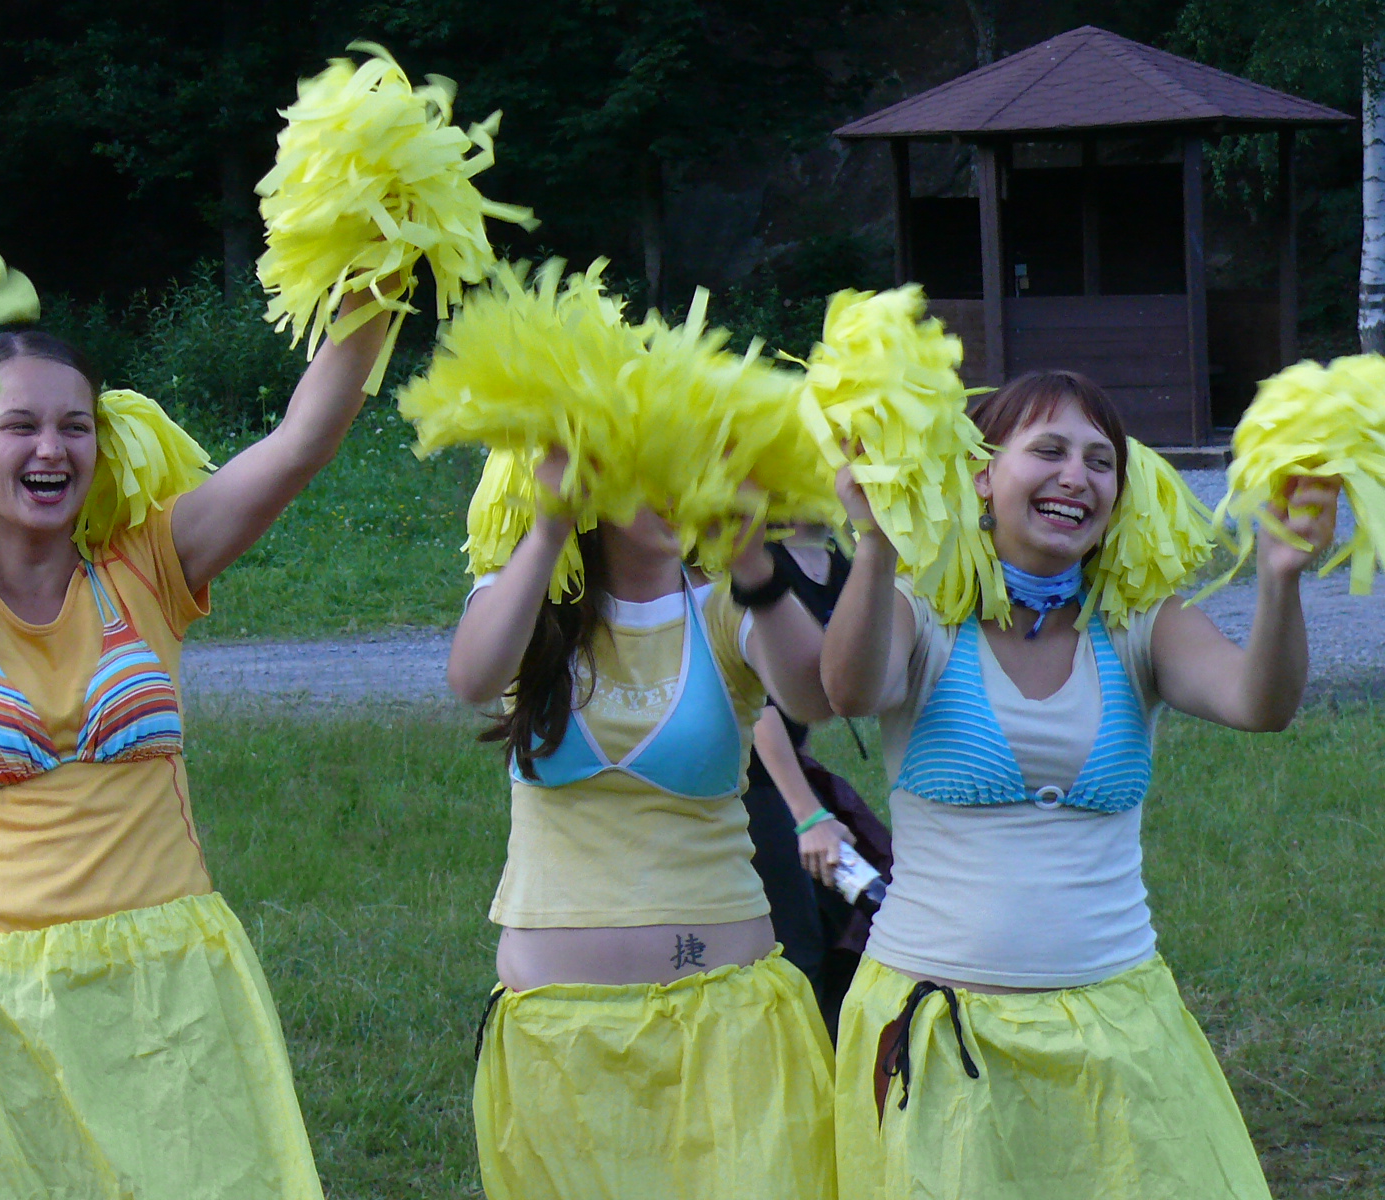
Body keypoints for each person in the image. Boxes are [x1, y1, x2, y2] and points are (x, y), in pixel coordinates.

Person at [0, 291, 390, 1198]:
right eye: (19, 425)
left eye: (75, 427)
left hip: (173, 988)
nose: (51, 448)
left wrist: (372, 291)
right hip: (0, 1004)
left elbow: (302, 441)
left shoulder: (152, 566)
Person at [820, 370, 1338, 1200]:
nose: (1077, 477)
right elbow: (850, 691)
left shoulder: (1140, 619)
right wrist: (876, 545)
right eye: (1049, 451)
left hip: (1117, 1029)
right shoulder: (923, 610)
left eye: (1101, 462)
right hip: (943, 1033)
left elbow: (1259, 704)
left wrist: (1281, 578)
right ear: (982, 474)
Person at [448, 451, 840, 1200]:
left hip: (729, 1034)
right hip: (559, 1042)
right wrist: (549, 527)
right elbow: (472, 679)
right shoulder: (524, 599)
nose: (676, 488)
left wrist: (754, 562)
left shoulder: (727, 608)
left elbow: (817, 696)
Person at [741, 528, 890, 1037]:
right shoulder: (759, 562)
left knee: (846, 924)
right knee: (799, 947)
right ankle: (798, 1064)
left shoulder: (836, 561)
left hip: (794, 772)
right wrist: (808, 814)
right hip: (753, 784)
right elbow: (757, 705)